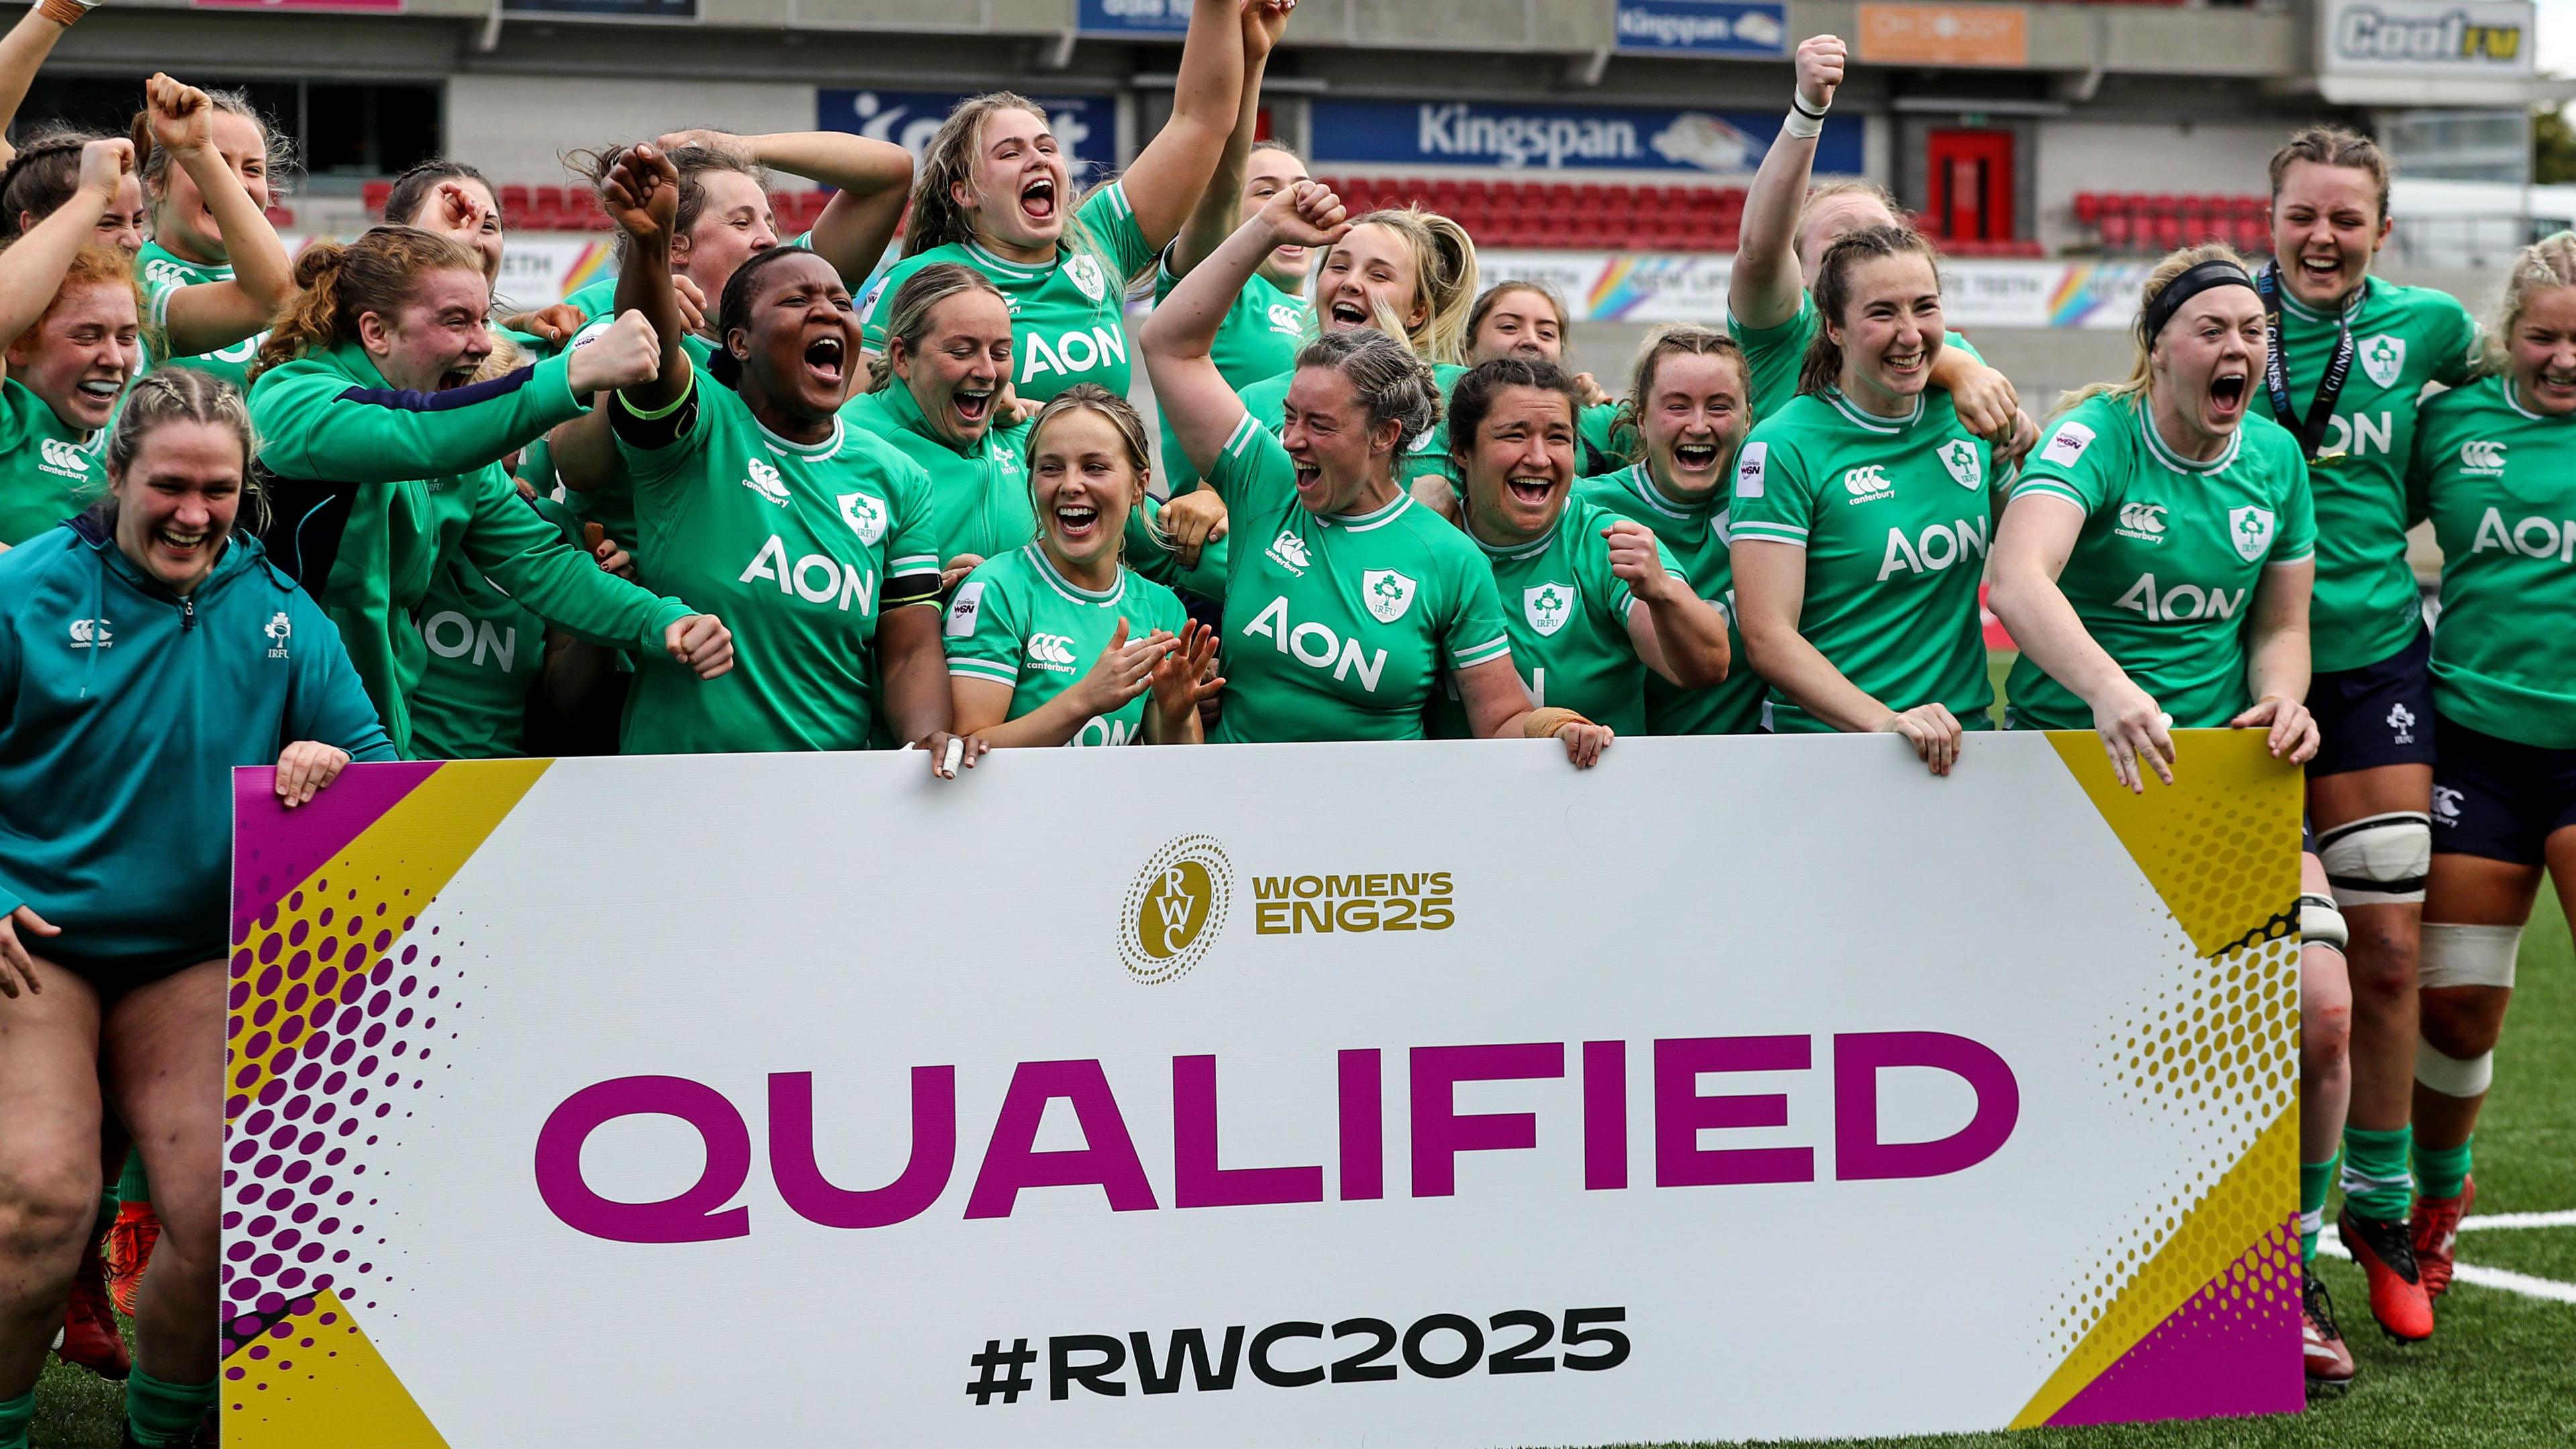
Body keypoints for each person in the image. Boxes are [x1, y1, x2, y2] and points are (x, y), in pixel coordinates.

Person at [0, 368, 397, 1449]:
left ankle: (161, 1433)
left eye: (219, 490)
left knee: (231, 1217)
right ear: (116, 472)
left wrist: (331, 764)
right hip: (37, 944)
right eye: (169, 485)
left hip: (188, 953)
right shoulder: (23, 590)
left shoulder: (278, 609)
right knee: (42, 1201)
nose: (193, 513)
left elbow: (377, 767)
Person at [1984, 244, 2347, 1383]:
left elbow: (2281, 626)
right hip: (2071, 781)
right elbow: (2018, 579)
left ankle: (2287, 1268)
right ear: (2160, 349)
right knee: (2070, 1045)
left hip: (2217, 785)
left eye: (2254, 331)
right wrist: (2109, 690)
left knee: (2325, 1011)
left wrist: (2280, 702)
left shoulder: (2277, 458)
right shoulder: (2096, 439)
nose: (2237, 347)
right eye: (2213, 330)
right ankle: (2037, 1268)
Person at [2252, 127, 2482, 1344]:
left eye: (2347, 219)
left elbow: (2533, 357)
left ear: (2382, 231)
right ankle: (2250, 1230)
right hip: (2240, 677)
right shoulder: (2223, 320)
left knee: (2390, 955)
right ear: (2270, 217)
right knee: (2260, 973)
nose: (2323, 238)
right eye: (2303, 216)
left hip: (2378, 662)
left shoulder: (2429, 327)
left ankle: (2382, 1214)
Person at [1142, 178, 1609, 764]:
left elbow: (1501, 718)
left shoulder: (1450, 557)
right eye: (1289, 417)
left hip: (1383, 847)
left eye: (1320, 424)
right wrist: (1265, 229)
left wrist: (1556, 728)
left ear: (1387, 436)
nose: (1290, 439)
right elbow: (1168, 344)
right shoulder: (1265, 480)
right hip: (1246, 833)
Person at [245, 225, 734, 759]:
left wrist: (659, 618)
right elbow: (417, 432)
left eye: (484, 319)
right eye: (456, 322)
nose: (482, 344)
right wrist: (575, 372)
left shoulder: (458, 455)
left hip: (362, 743)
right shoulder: (291, 400)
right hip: (264, 738)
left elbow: (541, 564)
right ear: (375, 332)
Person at [599, 145, 965, 766]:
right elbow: (651, 357)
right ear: (738, 342)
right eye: (795, 302)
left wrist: (926, 740)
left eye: (841, 304)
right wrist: (649, 244)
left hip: (826, 804)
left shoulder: (897, 478)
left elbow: (908, 649)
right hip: (677, 793)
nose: (826, 310)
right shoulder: (701, 424)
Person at [2401, 233, 2576, 1314]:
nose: (2564, 358)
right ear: (2506, 335)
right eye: (2543, 336)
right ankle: (2436, 1202)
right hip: (2476, 744)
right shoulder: (2451, 424)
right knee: (2457, 1016)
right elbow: (2368, 525)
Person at [861, 0, 1269, 406]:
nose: (1038, 159)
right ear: (965, 192)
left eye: (1047, 147)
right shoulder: (920, 280)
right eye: (1010, 153)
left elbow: (1201, 121)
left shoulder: (1099, 242)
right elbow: (852, 421)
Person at [1730, 223, 1996, 774]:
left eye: (1925, 307)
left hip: (1965, 743)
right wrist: (1885, 722)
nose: (1910, 334)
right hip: (1826, 751)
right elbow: (1767, 636)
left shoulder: (1970, 418)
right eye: (1882, 313)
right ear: (1834, 327)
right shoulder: (1783, 446)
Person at [1729, 32, 2029, 458]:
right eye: (1841, 241)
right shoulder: (1783, 329)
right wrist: (1808, 110)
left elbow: (2007, 447)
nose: (1865, 250)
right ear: (1799, 268)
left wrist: (1984, 392)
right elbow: (1760, 252)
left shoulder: (1944, 343)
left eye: (1879, 236)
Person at [850, 262, 1225, 600]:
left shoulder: (1034, 445)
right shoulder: (849, 449)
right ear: (902, 357)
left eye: (1000, 353)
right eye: (962, 351)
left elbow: (1182, 556)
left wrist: (1209, 512)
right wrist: (916, 602)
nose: (987, 371)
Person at [1430, 356, 1727, 737]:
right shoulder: (1430, 541)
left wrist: (1663, 591)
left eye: (1557, 437)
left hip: (1595, 789)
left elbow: (1705, 668)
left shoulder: (1603, 541)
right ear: (1462, 451)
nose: (1539, 458)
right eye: (1515, 435)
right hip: (1448, 792)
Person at [946, 385, 1217, 747]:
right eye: (1051, 468)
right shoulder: (994, 589)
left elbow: (1178, 776)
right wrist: (1085, 700)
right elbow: (963, 750)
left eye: (1094, 467)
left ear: (1140, 486)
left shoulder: (1162, 609)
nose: (1071, 485)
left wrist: (1176, 716)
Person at [1149, 3, 1309, 498]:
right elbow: (1222, 183)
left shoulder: (1332, 319)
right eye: (1266, 192)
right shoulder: (1216, 297)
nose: (1292, 202)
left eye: (1302, 188)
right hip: (1216, 546)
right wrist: (1255, 58)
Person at [1577, 326, 1766, 735]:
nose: (1698, 426)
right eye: (1677, 407)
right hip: (1618, 768)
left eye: (1719, 407)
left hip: (1752, 768)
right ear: (1641, 421)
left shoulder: (1776, 502)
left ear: (1749, 418)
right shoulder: (1584, 507)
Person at [1230, 203, 1480, 513]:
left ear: (1418, 311)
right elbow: (1219, 502)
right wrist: (1203, 505)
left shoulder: (1463, 394)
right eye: (1338, 267)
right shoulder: (1256, 400)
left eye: (1378, 275)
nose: (1350, 283)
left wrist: (1443, 502)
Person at [0, 139, 138, 548]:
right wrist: (93, 194)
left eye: (127, 338)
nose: (114, 359)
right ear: (19, 344)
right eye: (87, 336)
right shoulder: (10, 417)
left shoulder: (137, 439)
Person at [128, 75, 292, 391]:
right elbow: (271, 295)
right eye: (217, 162)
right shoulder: (125, 276)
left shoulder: (310, 292)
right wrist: (198, 150)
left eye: (253, 169)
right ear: (155, 183)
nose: (238, 186)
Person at [1466, 279, 1623, 470]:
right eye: (1509, 327)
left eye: (1546, 333)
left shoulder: (1602, 422)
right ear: (1468, 347)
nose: (1531, 341)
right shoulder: (1433, 411)